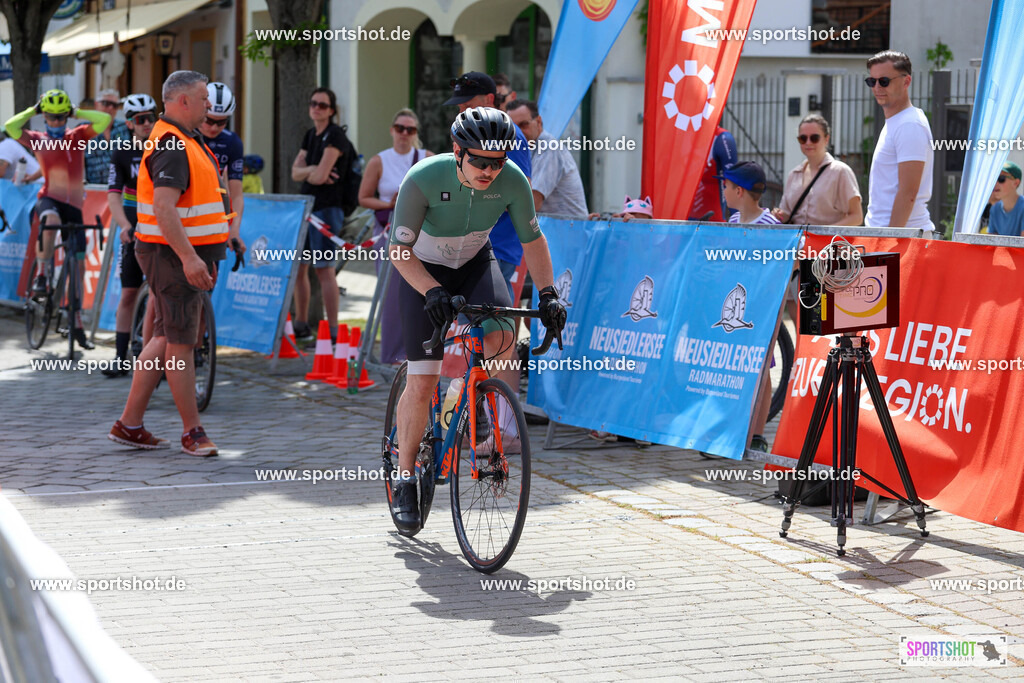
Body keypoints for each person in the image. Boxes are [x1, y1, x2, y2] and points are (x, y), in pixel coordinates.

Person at [387, 107, 565, 531]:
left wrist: (549, 294)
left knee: (504, 339)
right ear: (457, 151)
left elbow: (533, 241)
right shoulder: (423, 178)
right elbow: (398, 251)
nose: (489, 170)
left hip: (474, 262)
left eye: (497, 162)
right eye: (480, 161)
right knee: (423, 378)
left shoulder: (513, 181)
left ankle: (483, 413)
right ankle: (406, 476)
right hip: (422, 269)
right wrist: (431, 291)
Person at [108, 70, 229, 457]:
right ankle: (192, 432)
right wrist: (190, 257)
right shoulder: (173, 143)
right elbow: (164, 207)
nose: (209, 105)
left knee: (163, 338)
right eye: (203, 98)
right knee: (180, 343)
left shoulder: (181, 138)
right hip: (173, 256)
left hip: (173, 254)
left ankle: (129, 425)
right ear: (182, 102)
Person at [4, 88, 111, 349]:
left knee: (79, 264)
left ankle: (75, 321)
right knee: (49, 222)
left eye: (61, 118)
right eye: (51, 118)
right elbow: (10, 126)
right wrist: (34, 109)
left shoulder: (77, 135)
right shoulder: (38, 139)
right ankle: (41, 274)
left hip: (74, 203)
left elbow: (104, 120)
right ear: (44, 117)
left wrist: (76, 112)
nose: (56, 123)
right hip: (49, 197)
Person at [358, 108, 434, 363]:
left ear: (416, 133)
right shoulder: (379, 161)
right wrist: (391, 204)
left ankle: (423, 349)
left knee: (423, 291)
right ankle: (392, 354)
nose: (404, 133)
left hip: (423, 234)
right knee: (390, 294)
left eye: (410, 129)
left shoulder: (427, 158)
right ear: (392, 130)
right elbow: (364, 197)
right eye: (400, 128)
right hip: (388, 232)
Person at [102, 93, 158, 377]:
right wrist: (124, 226)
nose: (148, 123)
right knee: (128, 294)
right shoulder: (121, 151)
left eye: (152, 117)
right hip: (134, 224)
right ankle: (120, 356)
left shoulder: (167, 148)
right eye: (141, 119)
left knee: (163, 293)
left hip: (161, 223)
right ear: (130, 124)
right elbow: (113, 195)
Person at [291, 87, 353, 344]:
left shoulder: (335, 135)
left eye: (323, 105)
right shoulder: (310, 135)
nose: (317, 107)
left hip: (327, 210)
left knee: (324, 271)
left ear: (332, 111)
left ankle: (334, 331)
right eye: (313, 103)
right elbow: (295, 172)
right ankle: (302, 324)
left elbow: (312, 175)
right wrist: (314, 170)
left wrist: (312, 171)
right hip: (308, 208)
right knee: (300, 267)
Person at [863, 50, 934, 230]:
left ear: (906, 81)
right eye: (872, 81)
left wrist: (890, 240)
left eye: (884, 81)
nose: (877, 87)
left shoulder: (909, 124)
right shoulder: (898, 122)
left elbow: (908, 192)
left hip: (901, 238)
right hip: (889, 236)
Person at [773, 115, 862, 226]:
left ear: (826, 139)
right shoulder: (793, 174)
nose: (808, 143)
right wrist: (779, 215)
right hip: (797, 241)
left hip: (828, 242)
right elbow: (787, 214)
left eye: (814, 138)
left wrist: (825, 234)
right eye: (803, 138)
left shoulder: (840, 171)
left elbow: (857, 217)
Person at [506, 98, 588, 217]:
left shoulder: (549, 148)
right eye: (512, 127)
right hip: (557, 229)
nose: (518, 132)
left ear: (538, 122)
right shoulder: (528, 148)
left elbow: (531, 203)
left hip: (568, 231)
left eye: (523, 125)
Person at [199, 82, 247, 255]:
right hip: (182, 216)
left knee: (208, 279)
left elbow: (237, 194)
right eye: (209, 120)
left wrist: (234, 228)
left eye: (221, 122)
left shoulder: (232, 142)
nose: (213, 128)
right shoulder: (183, 136)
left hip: (213, 217)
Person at [688, 125, 738, 221]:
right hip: (681, 221)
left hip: (712, 223)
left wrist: (737, 222)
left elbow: (733, 181)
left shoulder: (723, 139)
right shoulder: (679, 135)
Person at [85, 89, 130, 185]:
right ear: (96, 105)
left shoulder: (125, 127)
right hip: (94, 189)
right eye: (106, 103)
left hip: (121, 189)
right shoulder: (84, 130)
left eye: (115, 105)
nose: (110, 108)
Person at [718, 161, 782, 226]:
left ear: (738, 191)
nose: (724, 190)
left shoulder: (772, 225)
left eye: (725, 186)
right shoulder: (733, 220)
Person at [987, 162, 1024, 237]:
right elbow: (991, 243)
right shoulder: (994, 209)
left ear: (1016, 183)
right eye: (994, 178)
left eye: (1001, 178)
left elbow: (1021, 246)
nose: (995, 183)